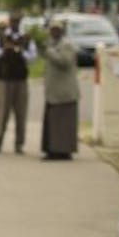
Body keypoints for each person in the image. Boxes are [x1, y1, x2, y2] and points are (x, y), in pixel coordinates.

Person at [0, 12, 36, 154]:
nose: (14, 24)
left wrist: (20, 52)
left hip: (20, 79)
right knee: (2, 113)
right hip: (5, 80)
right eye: (13, 21)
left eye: (17, 21)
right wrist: (4, 50)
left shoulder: (25, 38)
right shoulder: (1, 37)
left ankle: (19, 144)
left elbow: (32, 57)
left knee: (21, 113)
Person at [40, 20, 80, 160]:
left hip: (64, 93)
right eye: (52, 29)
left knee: (64, 124)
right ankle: (52, 150)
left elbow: (65, 62)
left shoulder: (66, 45)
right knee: (53, 124)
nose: (54, 32)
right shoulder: (52, 44)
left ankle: (63, 151)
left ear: (62, 31)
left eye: (57, 29)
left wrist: (49, 52)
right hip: (53, 93)